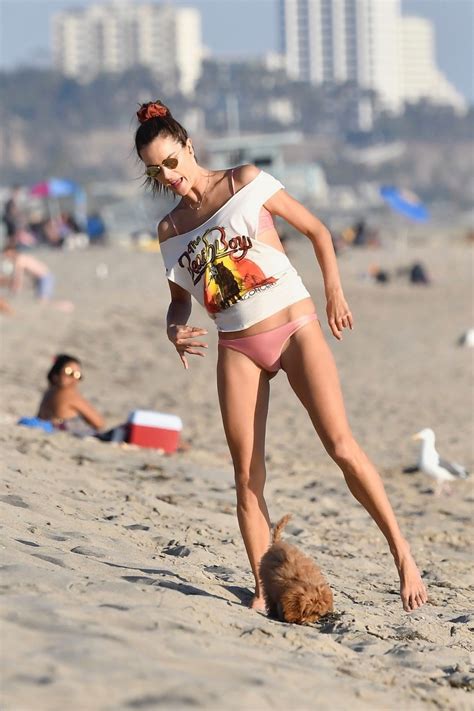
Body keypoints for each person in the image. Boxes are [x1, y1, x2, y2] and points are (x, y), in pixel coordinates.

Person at [134, 100, 428, 613]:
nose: (170, 176)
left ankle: (402, 555)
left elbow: (317, 231)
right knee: (247, 476)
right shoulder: (169, 230)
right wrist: (173, 331)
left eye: (172, 161)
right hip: (236, 345)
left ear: (188, 146)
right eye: (157, 171)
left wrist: (334, 291)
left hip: (295, 327)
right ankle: (265, 587)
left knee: (340, 445)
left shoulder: (244, 180)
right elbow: (178, 304)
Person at [36, 354, 104, 433]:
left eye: (77, 375)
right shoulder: (69, 394)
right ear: (56, 374)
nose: (73, 378)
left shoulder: (48, 393)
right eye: (69, 372)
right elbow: (99, 423)